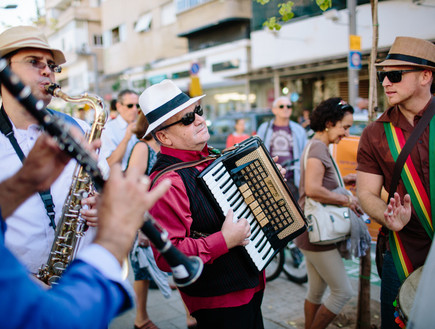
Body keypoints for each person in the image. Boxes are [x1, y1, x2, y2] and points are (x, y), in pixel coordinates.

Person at [0, 131, 171, 329]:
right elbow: (55, 321)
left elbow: (102, 182)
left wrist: (21, 184)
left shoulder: (78, 128)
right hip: (47, 285)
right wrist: (113, 241)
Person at [139, 79, 272, 329]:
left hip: (251, 283)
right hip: (220, 301)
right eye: (187, 119)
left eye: (197, 112)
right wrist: (224, 240)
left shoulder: (210, 156)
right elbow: (168, 257)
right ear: (163, 136)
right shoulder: (168, 181)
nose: (199, 120)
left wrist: (265, 181)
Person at [0, 25, 98, 276]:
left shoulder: (80, 129)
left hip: (80, 277)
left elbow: (103, 187)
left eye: (52, 66)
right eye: (34, 62)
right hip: (17, 290)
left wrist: (103, 204)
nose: (48, 71)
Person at [356, 36, 435, 329]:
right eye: (383, 75)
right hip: (402, 253)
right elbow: (366, 194)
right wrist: (387, 217)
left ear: (426, 75)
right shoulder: (375, 134)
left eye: (396, 74)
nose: (386, 82)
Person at [295, 97, 363, 329]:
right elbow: (313, 189)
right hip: (317, 234)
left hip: (309, 231)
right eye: (344, 126)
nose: (347, 132)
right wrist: (347, 200)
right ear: (329, 123)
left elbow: (316, 183)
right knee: (342, 292)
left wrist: (343, 180)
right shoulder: (318, 147)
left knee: (316, 291)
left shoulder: (317, 145)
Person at [125, 111, 165, 329]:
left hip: (164, 215)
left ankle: (190, 315)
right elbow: (133, 184)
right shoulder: (143, 147)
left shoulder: (165, 143)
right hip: (144, 216)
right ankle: (141, 318)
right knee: (141, 270)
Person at [257, 96, 307, 199]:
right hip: (270, 179)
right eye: (281, 106)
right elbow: (257, 152)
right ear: (274, 110)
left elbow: (304, 154)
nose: (285, 108)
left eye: (288, 106)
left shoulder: (299, 130)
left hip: (292, 180)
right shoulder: (264, 128)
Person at [98, 89, 140, 176]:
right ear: (118, 106)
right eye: (130, 106)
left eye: (137, 105)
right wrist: (126, 138)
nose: (135, 109)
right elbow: (109, 163)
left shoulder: (142, 125)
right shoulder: (108, 129)